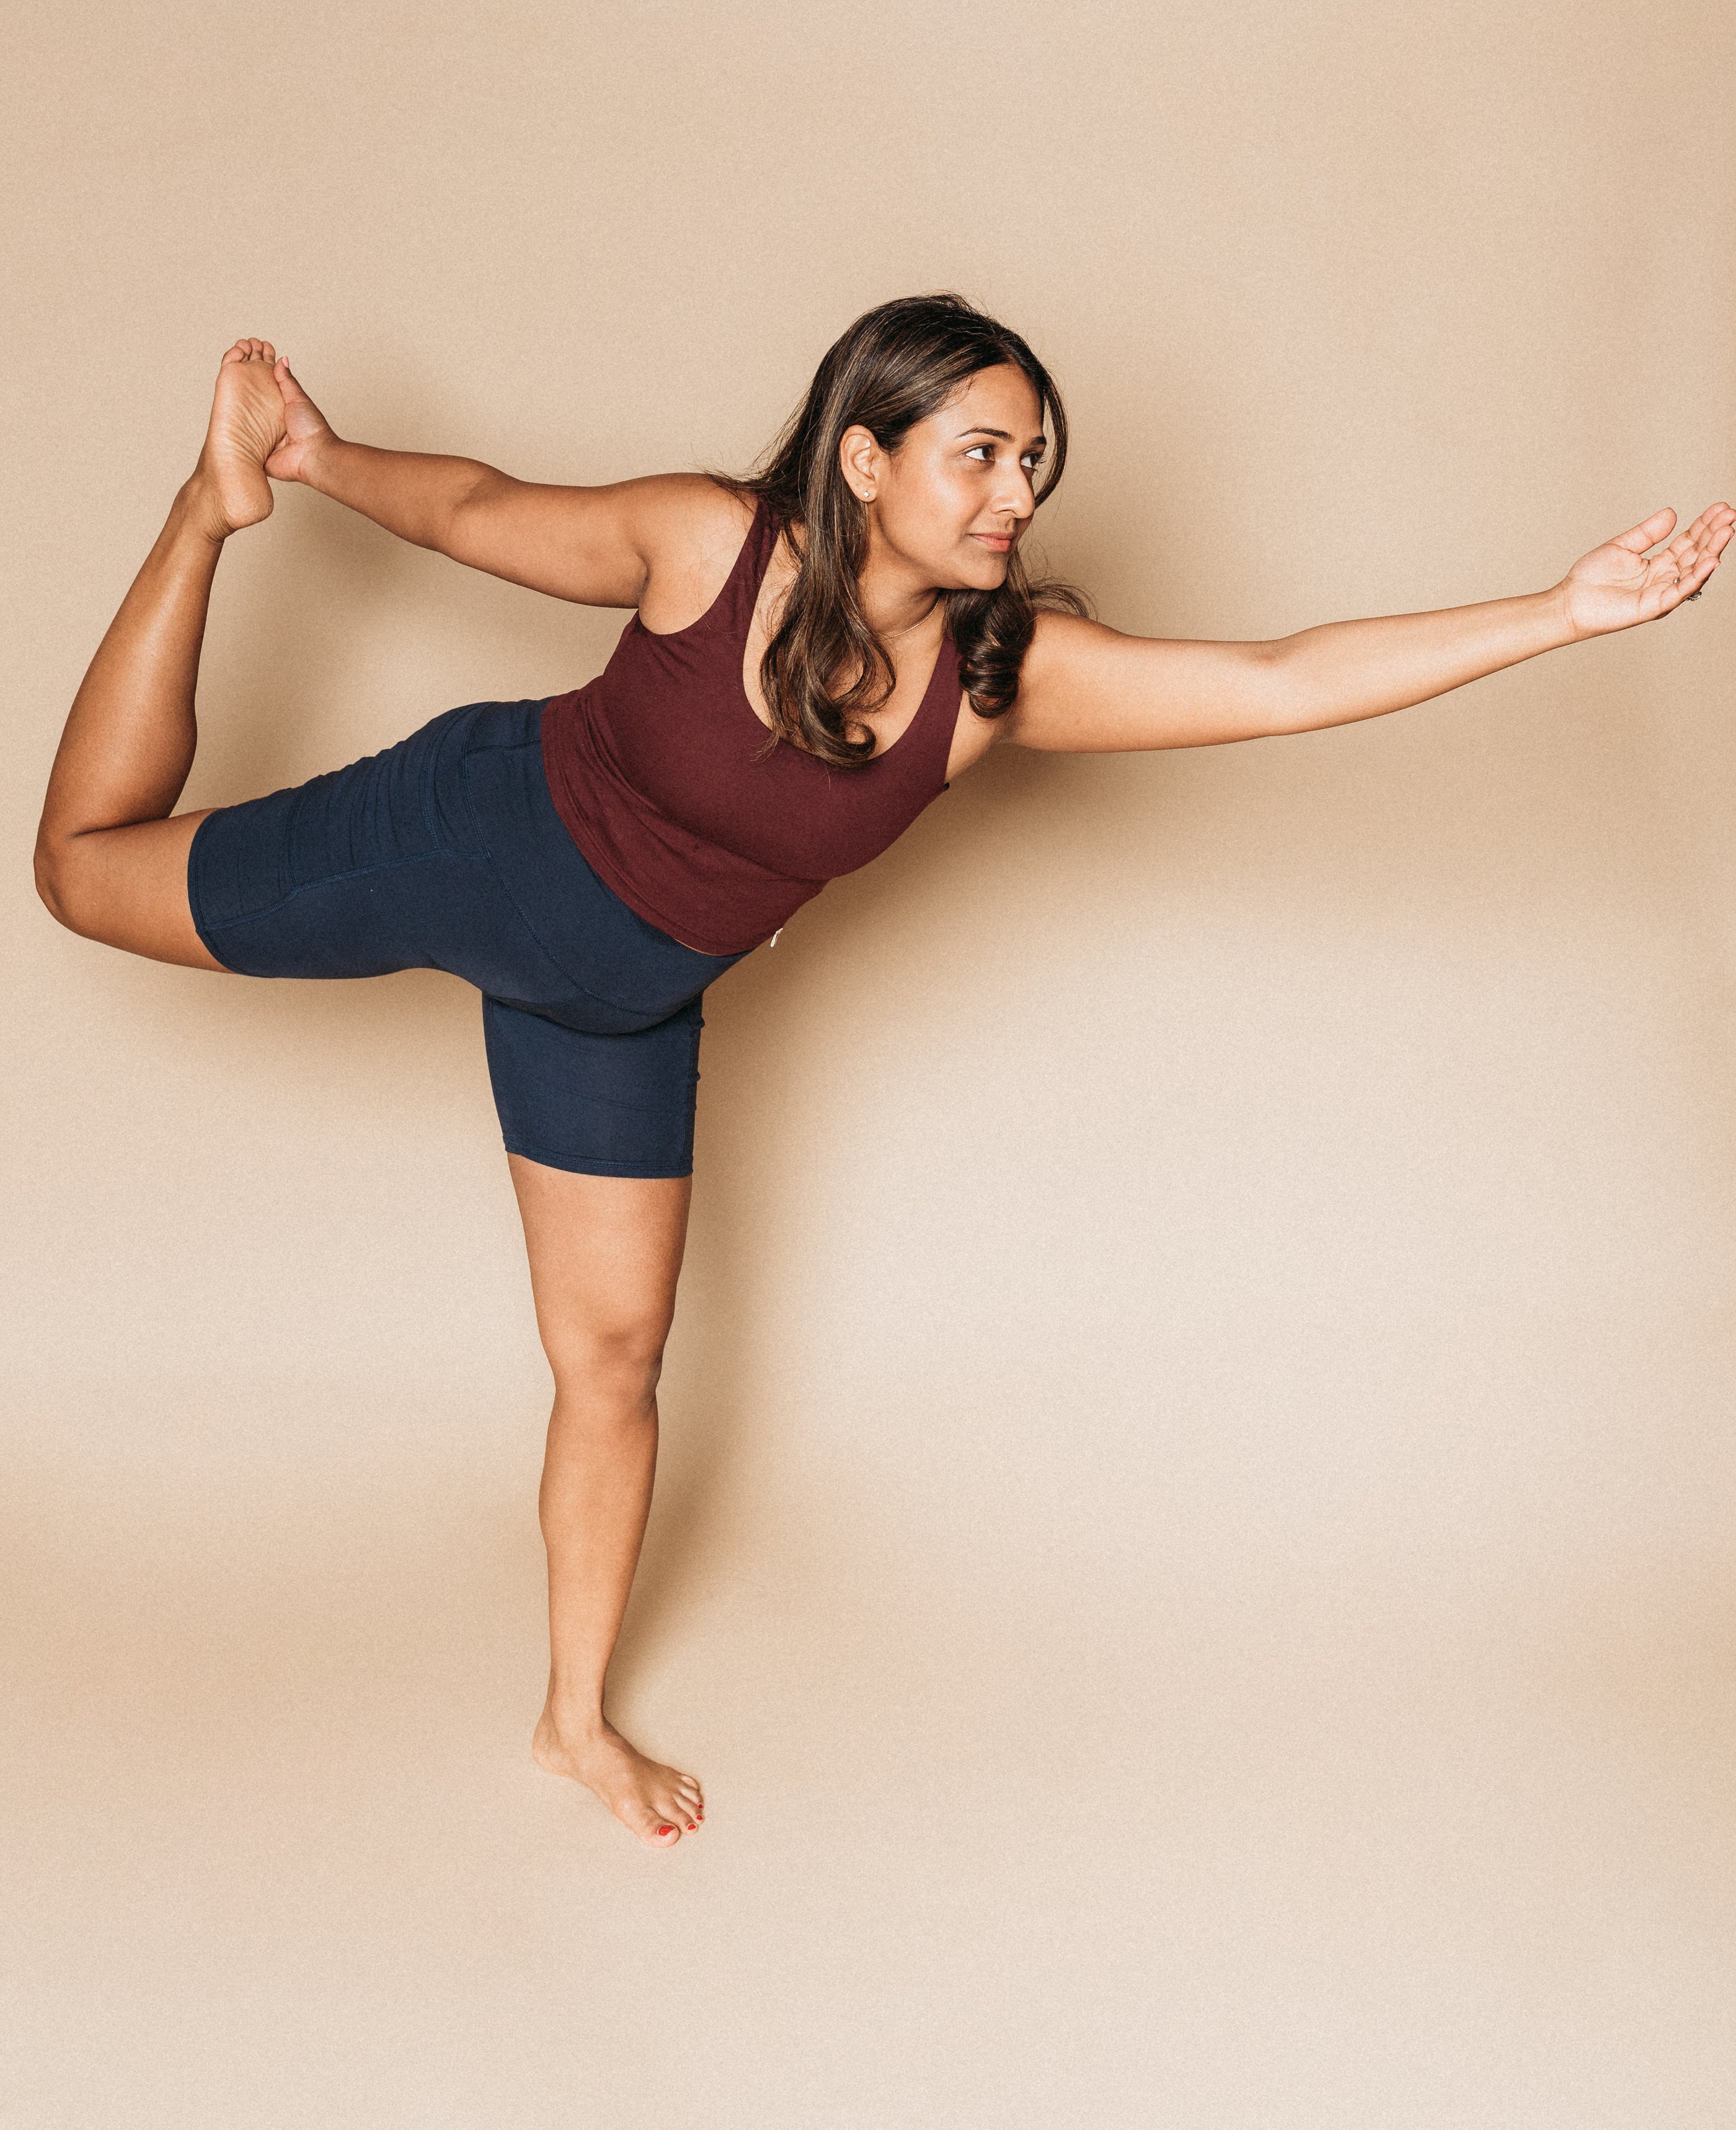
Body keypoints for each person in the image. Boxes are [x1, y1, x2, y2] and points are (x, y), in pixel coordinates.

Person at [33, 293, 1732, 1849]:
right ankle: (204, 514)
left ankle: (572, 1721)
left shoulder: (996, 684)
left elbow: (1277, 681)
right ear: (865, 456)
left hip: (619, 1005)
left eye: (1033, 463)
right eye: (978, 452)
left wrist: (1560, 613)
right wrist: (310, 462)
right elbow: (478, 508)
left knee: (613, 1355)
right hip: (470, 842)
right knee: (81, 874)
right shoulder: (709, 545)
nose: (1014, 494)